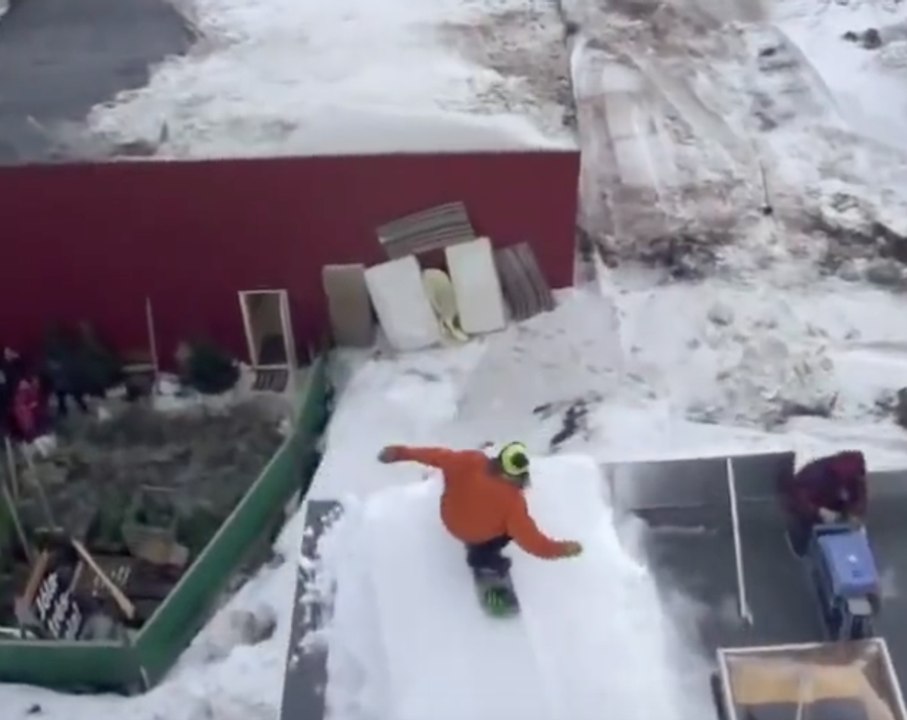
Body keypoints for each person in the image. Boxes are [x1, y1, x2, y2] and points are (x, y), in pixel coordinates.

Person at [378, 442, 583, 577]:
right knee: (507, 534)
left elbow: (432, 455)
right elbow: (534, 543)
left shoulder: (470, 460)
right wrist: (563, 549)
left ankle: (477, 547)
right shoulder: (513, 502)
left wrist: (398, 453)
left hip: (450, 518)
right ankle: (481, 558)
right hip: (476, 535)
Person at [779, 450, 867, 557]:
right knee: (803, 535)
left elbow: (859, 496)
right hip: (805, 513)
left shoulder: (853, 474)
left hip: (833, 510)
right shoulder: (816, 474)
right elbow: (797, 499)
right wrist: (819, 511)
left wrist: (853, 514)